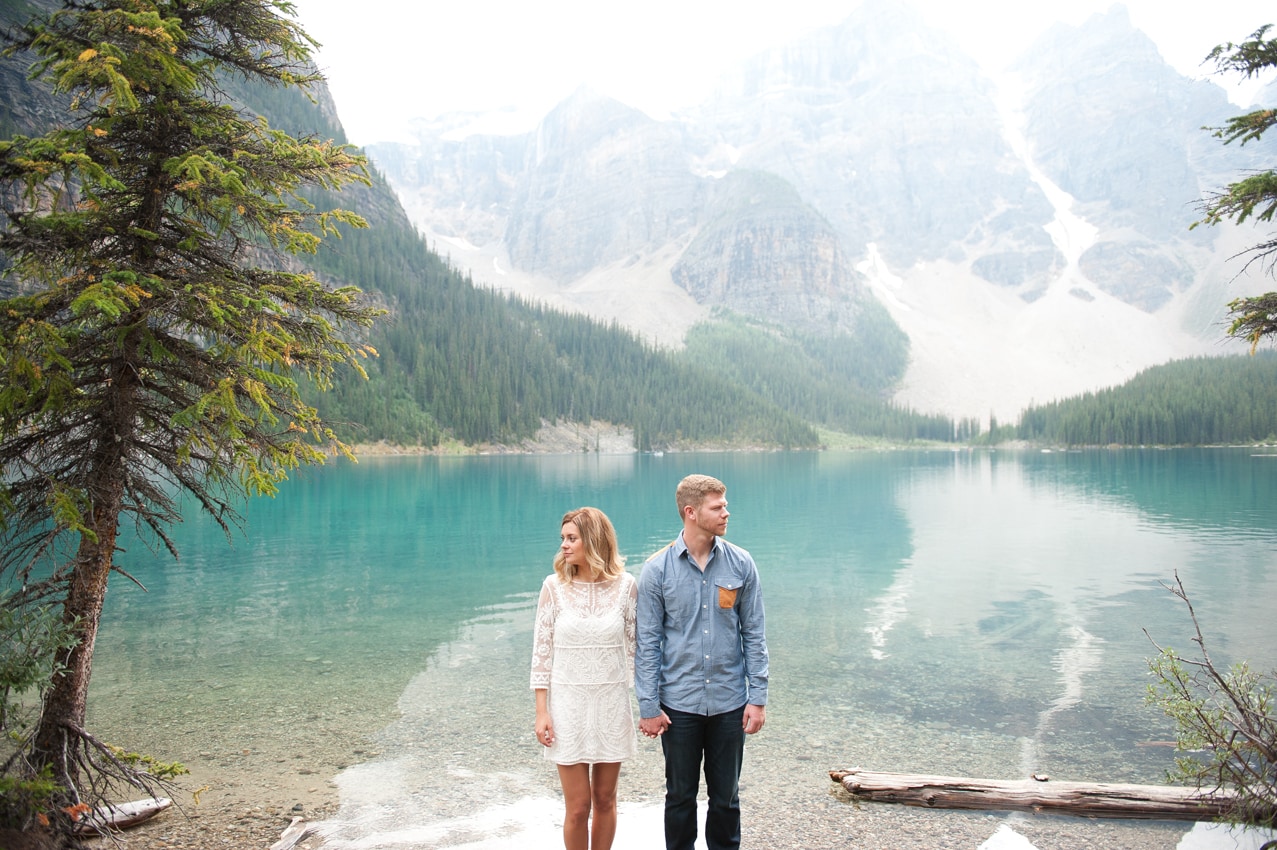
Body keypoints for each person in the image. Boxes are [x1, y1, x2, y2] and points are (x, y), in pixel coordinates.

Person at [635, 474, 769, 850]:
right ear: (691, 513)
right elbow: (647, 644)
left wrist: (757, 697)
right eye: (718, 507)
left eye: (724, 505)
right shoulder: (657, 570)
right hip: (678, 706)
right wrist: (648, 706)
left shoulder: (742, 564)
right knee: (679, 798)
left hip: (730, 703)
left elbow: (754, 634)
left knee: (726, 799)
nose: (727, 512)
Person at [531, 507, 638, 850]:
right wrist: (541, 712)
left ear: (593, 540)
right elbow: (541, 654)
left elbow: (639, 651)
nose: (564, 545)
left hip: (611, 704)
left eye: (571, 538)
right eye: (562, 538)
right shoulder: (553, 587)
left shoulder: (626, 586)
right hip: (568, 707)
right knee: (578, 807)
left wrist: (650, 705)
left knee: (605, 800)